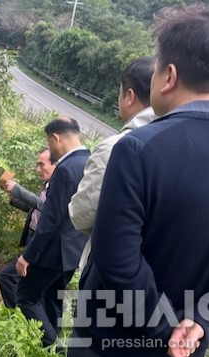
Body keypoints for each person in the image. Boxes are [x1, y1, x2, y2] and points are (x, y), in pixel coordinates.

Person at [69, 2, 209, 357]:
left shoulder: (139, 149)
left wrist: (164, 329)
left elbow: (116, 261)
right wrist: (203, 321)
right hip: (187, 350)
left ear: (169, 76)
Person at [69, 56, 157, 273]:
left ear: (129, 96)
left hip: (113, 273)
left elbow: (81, 214)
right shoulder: (179, 140)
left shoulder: (115, 147)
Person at [14, 117, 90, 347]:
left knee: (26, 296)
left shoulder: (66, 169)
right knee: (54, 299)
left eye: (49, 142)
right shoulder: (90, 161)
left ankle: (54, 348)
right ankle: (48, 347)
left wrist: (27, 256)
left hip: (54, 250)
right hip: (74, 249)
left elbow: (51, 219)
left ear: (56, 138)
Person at [0, 148, 57, 308]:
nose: (38, 169)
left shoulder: (59, 189)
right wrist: (14, 197)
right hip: (33, 238)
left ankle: (19, 313)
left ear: (56, 165)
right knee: (25, 283)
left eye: (42, 165)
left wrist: (19, 190)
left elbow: (45, 207)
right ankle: (23, 315)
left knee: (7, 277)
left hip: (42, 242)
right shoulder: (47, 185)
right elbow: (35, 208)